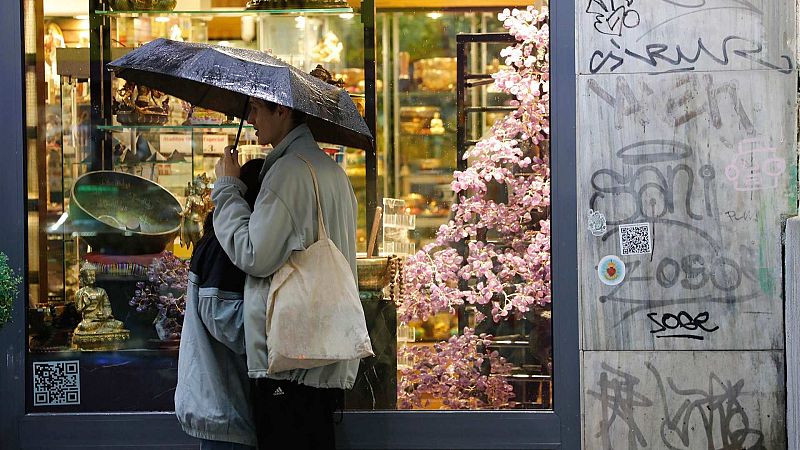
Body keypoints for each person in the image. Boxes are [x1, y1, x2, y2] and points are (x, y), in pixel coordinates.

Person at [211, 98, 359, 450]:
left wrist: (228, 189)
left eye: (257, 109)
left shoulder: (288, 172)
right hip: (322, 354)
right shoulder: (331, 171)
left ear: (282, 110)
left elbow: (254, 254)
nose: (251, 117)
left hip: (289, 361)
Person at [175, 159, 264, 450]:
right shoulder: (226, 248)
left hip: (222, 408)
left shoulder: (220, 239)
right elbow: (224, 318)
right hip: (225, 410)